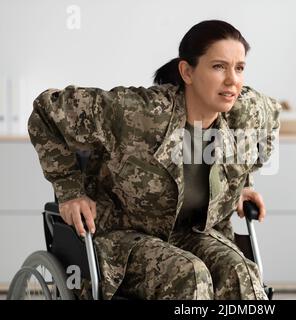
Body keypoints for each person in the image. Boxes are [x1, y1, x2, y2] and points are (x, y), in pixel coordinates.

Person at [28, 19, 281, 300]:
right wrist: (69, 190)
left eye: (240, 68)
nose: (233, 80)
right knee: (190, 274)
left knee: (240, 273)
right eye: (218, 66)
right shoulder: (139, 113)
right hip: (121, 237)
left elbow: (267, 128)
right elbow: (45, 111)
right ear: (187, 71)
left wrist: (240, 182)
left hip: (191, 233)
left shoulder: (248, 111)